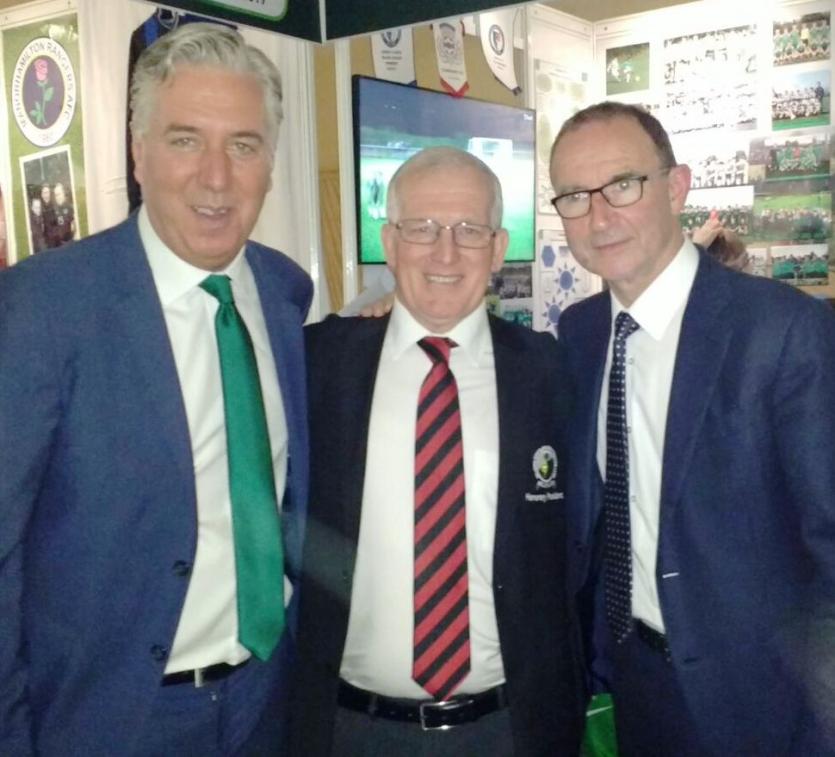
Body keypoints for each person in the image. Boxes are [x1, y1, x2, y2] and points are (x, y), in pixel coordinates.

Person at [0, 23, 312, 756]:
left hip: (269, 696)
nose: (215, 176)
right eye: (183, 140)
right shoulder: (44, 307)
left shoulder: (283, 292)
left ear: (269, 164)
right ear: (138, 154)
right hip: (109, 717)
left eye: (242, 144)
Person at [549, 100, 835, 756]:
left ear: (675, 186)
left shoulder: (783, 331)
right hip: (631, 680)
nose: (597, 215)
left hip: (764, 702)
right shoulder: (581, 331)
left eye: (622, 184)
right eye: (571, 195)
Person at [290, 146, 585, 756]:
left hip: (511, 729)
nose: (445, 253)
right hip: (348, 730)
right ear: (389, 242)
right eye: (421, 228)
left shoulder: (553, 374)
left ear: (499, 248)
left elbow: (583, 544)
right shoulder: (317, 364)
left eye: (469, 230)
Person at [43, 181, 75, 247]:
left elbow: (73, 227)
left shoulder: (70, 208)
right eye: (56, 195)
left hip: (69, 243)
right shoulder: (53, 210)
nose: (57, 197)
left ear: (63, 194)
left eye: (59, 194)